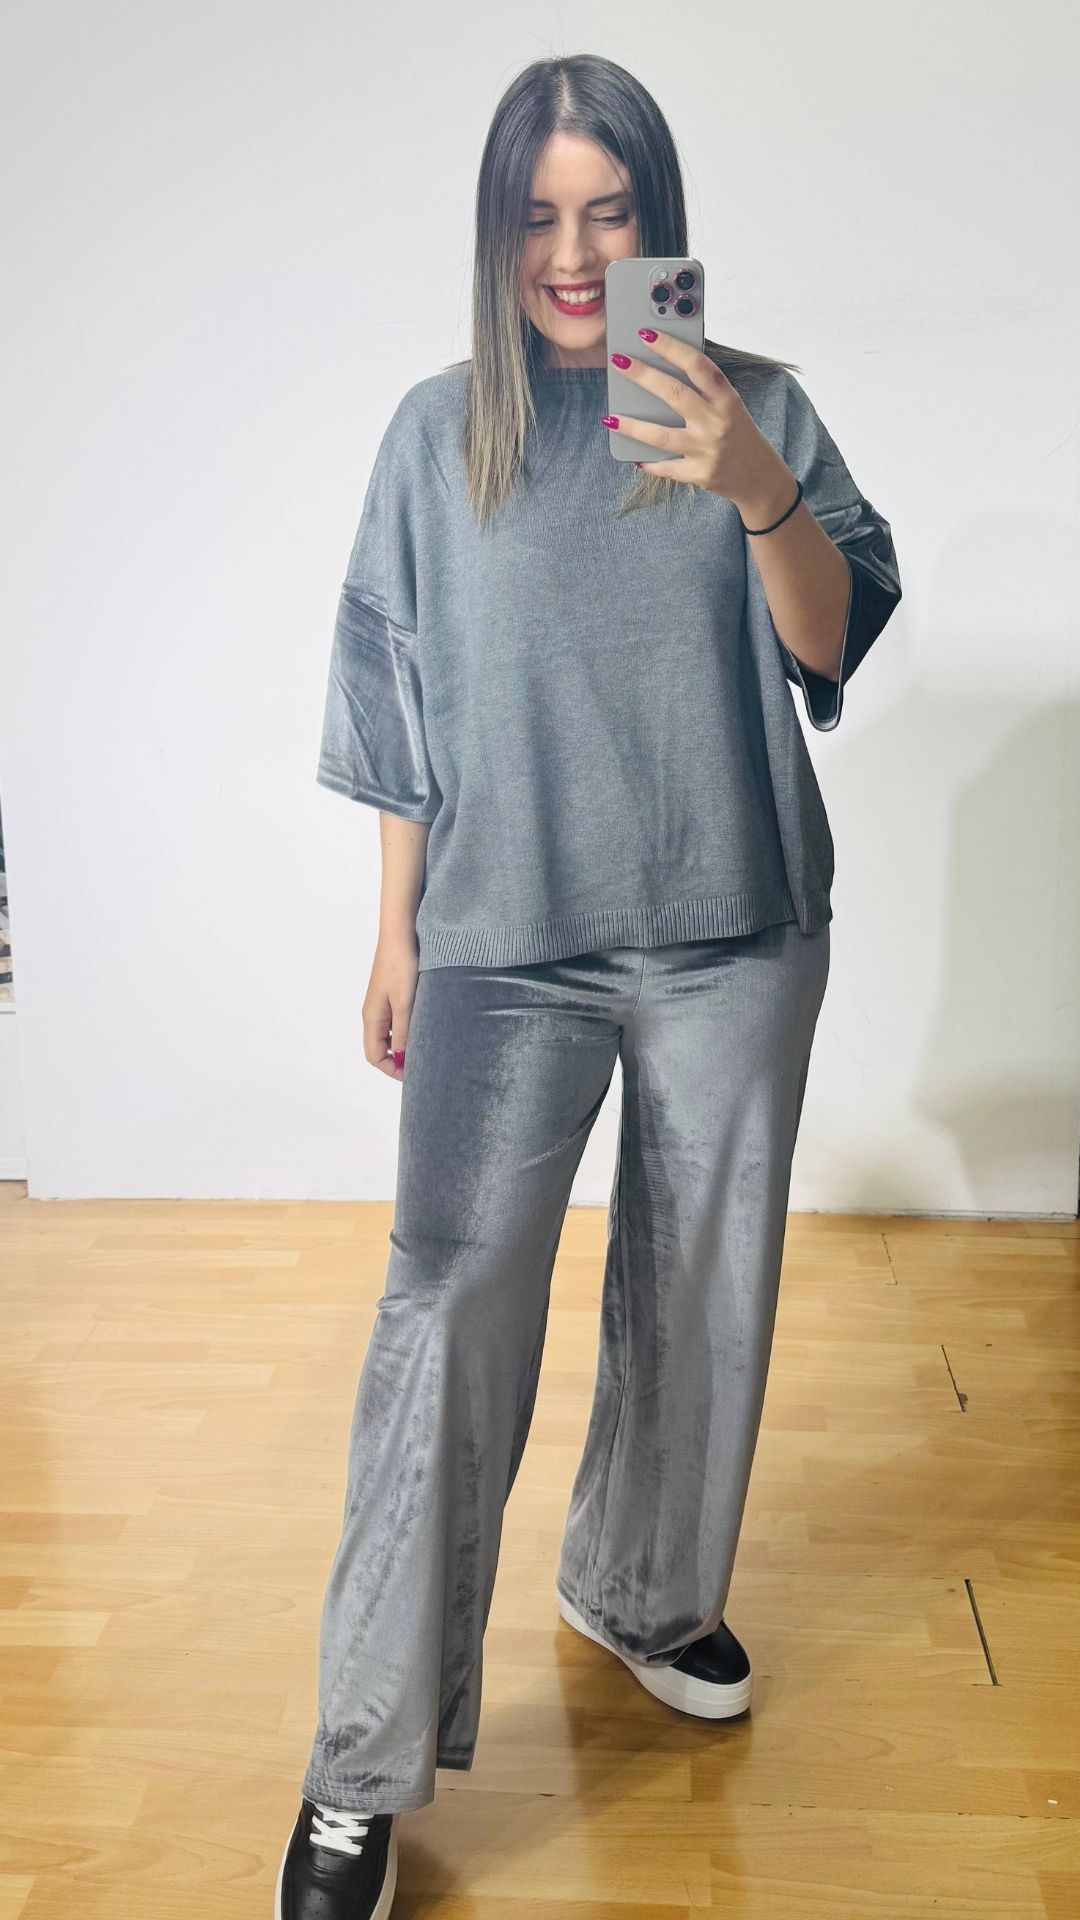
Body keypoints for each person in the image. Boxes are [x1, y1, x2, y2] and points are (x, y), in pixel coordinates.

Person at [276, 51, 902, 1920]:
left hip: (734, 930)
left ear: (659, 221)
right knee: (448, 1311)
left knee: (702, 1296)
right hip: (505, 942)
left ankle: (640, 1589)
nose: (571, 253)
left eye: (608, 212)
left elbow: (831, 645)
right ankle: (359, 1769)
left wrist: (756, 485)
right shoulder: (436, 433)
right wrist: (395, 931)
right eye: (538, 217)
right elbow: (392, 700)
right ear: (496, 231)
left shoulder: (751, 408)